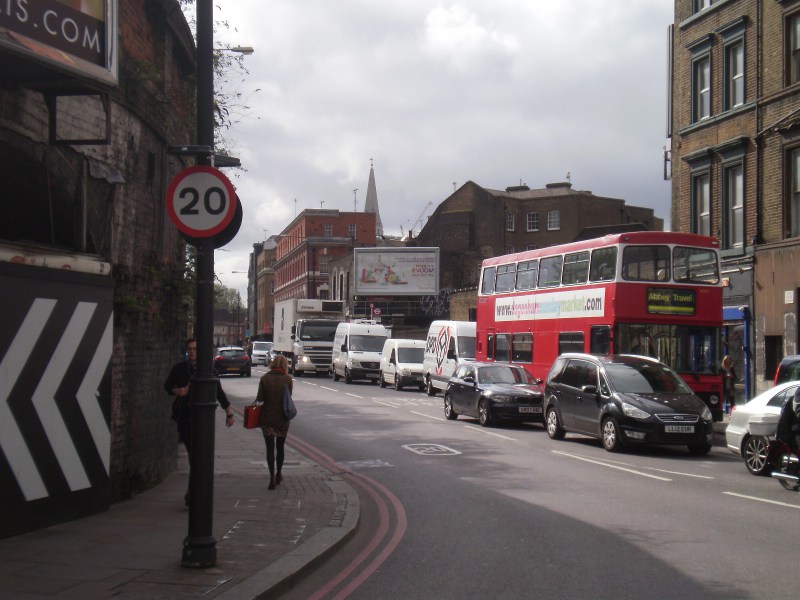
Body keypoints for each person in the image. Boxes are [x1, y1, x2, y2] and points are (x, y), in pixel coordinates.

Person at [164, 338, 235, 503]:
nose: (192, 352)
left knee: (197, 456)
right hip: (185, 418)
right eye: (190, 349)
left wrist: (229, 413)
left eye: (195, 349)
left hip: (204, 421)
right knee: (193, 454)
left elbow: (219, 393)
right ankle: (193, 490)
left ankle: (193, 490)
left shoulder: (209, 371)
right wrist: (178, 391)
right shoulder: (179, 369)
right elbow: (167, 387)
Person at [256, 354, 293, 490]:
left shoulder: (265, 378)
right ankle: (278, 474)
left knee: (270, 449)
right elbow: (289, 397)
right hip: (282, 419)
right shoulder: (288, 379)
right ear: (284, 365)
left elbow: (260, 398)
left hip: (267, 419)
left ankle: (271, 476)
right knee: (280, 447)